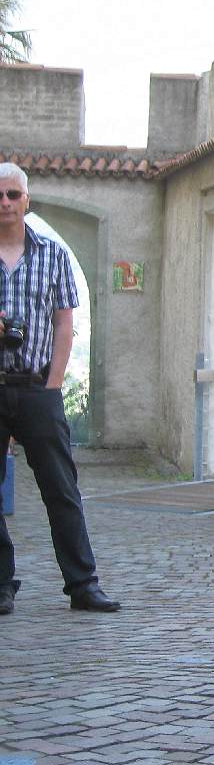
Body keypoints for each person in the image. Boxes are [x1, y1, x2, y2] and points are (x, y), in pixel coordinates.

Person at [0, 163, 119, 616]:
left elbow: (64, 325)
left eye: (13, 195)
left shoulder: (52, 254)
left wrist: (53, 386)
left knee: (62, 491)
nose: (5, 203)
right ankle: (1, 584)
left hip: (39, 389)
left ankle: (83, 585)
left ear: (26, 200)